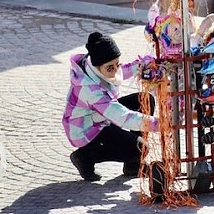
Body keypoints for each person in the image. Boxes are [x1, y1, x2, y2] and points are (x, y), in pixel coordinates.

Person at [63, 32, 157, 182]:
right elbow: (123, 117)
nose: (115, 70)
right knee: (141, 147)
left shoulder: (97, 66)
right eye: (110, 68)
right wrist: (159, 124)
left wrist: (145, 64)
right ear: (97, 67)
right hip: (86, 129)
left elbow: (121, 71)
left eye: (116, 64)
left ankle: (133, 165)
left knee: (145, 100)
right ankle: (85, 156)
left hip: (100, 116)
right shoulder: (90, 90)